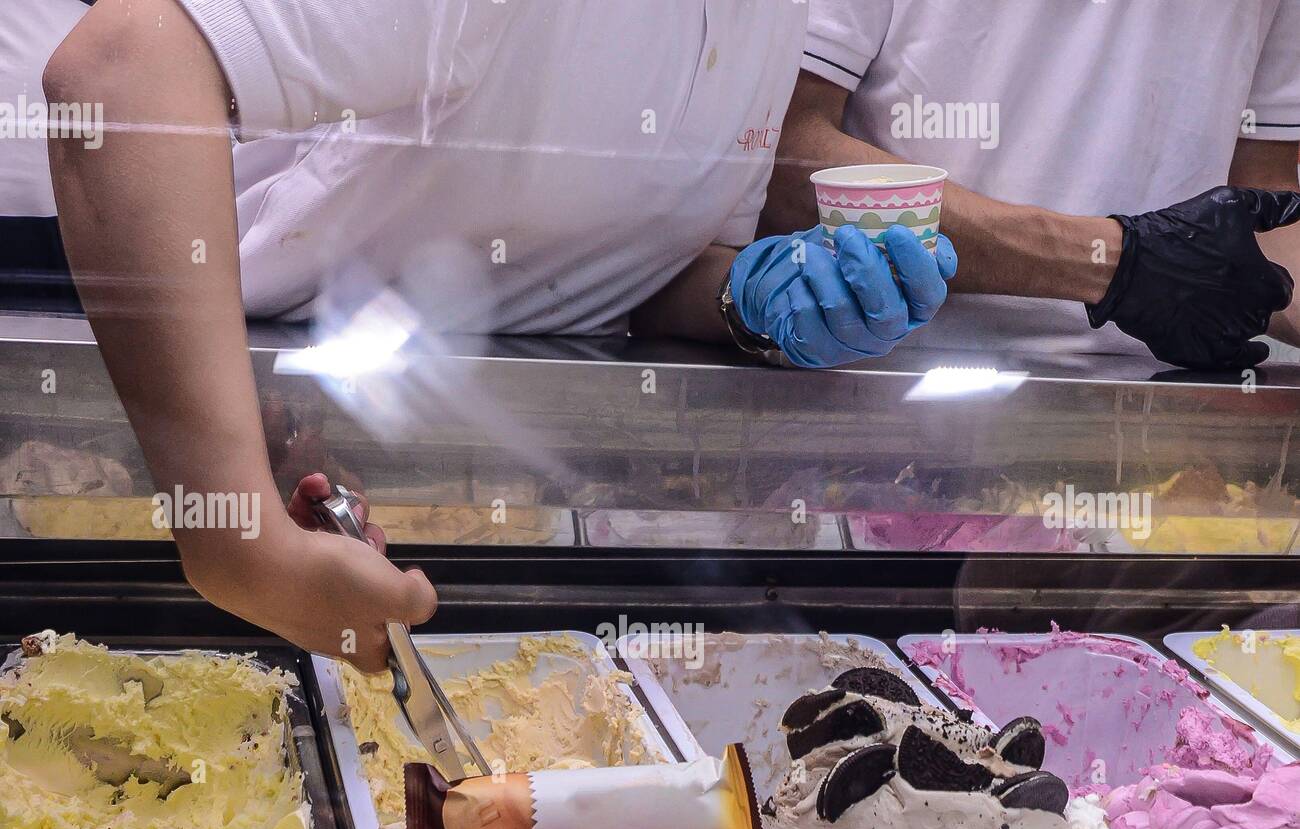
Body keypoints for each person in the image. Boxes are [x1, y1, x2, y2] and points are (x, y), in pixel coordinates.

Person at [5, 0, 954, 667]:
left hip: (496, 501)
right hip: (201, 455)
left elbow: (655, 268)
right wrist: (237, 534)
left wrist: (752, 303)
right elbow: (120, 73)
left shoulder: (772, 18)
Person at [762, 0, 1300, 371]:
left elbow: (1264, 207)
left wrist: (1135, 266)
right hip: (892, 374)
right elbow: (784, 155)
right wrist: (1111, 263)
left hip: (1162, 397)